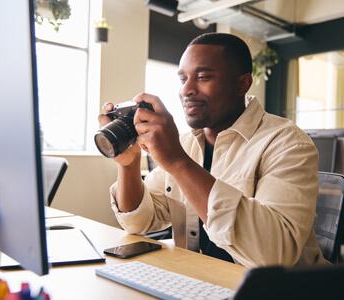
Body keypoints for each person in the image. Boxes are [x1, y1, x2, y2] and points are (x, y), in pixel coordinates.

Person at [99, 33, 326, 267]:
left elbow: (275, 255)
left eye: (203, 77)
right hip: (199, 280)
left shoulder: (287, 142)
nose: (186, 90)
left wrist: (178, 162)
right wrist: (129, 164)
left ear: (242, 84)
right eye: (183, 79)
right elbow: (139, 222)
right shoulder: (186, 143)